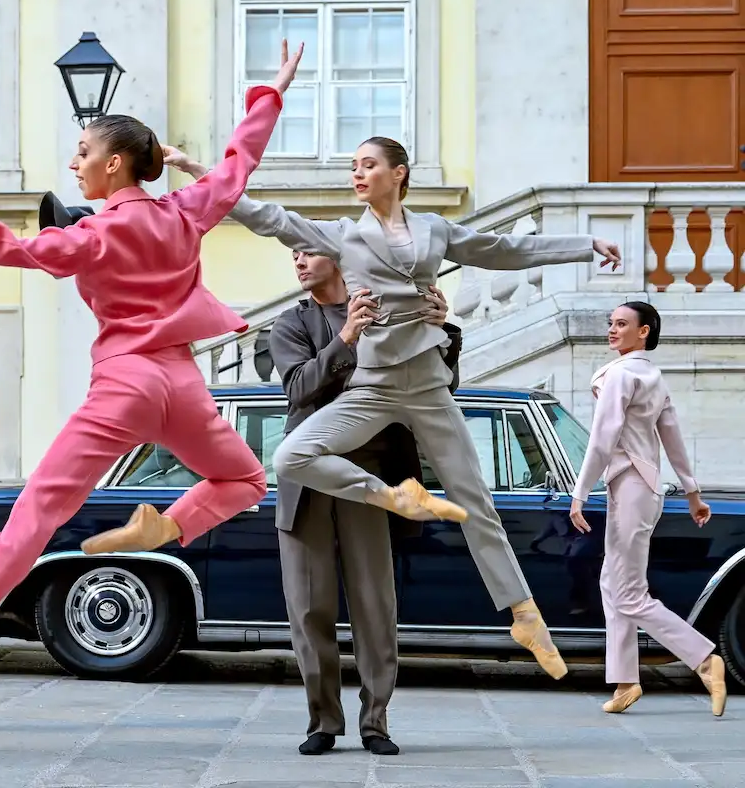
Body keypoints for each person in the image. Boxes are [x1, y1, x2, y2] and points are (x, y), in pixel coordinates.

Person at [0, 39, 306, 708]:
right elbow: (239, 161)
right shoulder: (187, 212)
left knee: (41, 511)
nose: (74, 166)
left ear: (113, 164)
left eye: (82, 154)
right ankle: (165, 529)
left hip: (126, 386)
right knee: (248, 478)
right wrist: (271, 91)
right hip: (185, 389)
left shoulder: (92, 236)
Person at [163, 137, 624, 679]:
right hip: (373, 384)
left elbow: (502, 249)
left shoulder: (435, 229)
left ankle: (524, 615)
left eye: (368, 165)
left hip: (427, 384)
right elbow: (266, 217)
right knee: (292, 455)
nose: (357, 173)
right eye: (354, 166)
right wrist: (199, 170)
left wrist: (585, 243)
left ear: (398, 173)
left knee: (477, 503)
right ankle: (391, 497)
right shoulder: (342, 234)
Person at [266, 246, 460, 757]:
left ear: (340, 258)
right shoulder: (289, 324)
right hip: (308, 481)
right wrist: (347, 337)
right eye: (293, 254)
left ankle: (376, 721)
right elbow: (299, 389)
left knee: (376, 606)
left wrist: (443, 333)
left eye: (309, 252)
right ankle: (323, 721)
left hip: (372, 479)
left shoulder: (387, 311)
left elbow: (434, 387)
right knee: (310, 608)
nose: (299, 262)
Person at [569, 301, 727, 716]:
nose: (612, 329)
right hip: (644, 488)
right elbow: (671, 435)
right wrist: (692, 492)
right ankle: (626, 681)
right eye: (611, 323)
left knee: (630, 594)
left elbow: (602, 437)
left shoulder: (620, 375)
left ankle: (705, 661)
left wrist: (579, 492)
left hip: (632, 487)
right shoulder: (652, 375)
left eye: (621, 324)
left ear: (645, 331)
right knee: (613, 585)